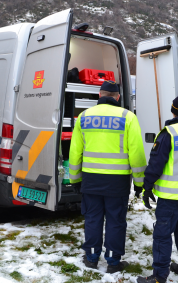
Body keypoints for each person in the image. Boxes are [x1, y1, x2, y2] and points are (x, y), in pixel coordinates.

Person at [69, 80, 147, 273]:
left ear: (100, 95)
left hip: (91, 178)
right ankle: (113, 261)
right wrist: (139, 182)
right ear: (118, 97)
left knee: (93, 218)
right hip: (117, 181)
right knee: (115, 220)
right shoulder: (128, 117)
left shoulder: (84, 117)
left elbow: (75, 152)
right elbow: (136, 153)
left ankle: (92, 257)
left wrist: (75, 179)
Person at [137, 95, 178, 283]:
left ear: (173, 110)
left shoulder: (168, 133)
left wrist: (147, 187)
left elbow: (156, 164)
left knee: (162, 235)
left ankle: (159, 276)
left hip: (170, 196)